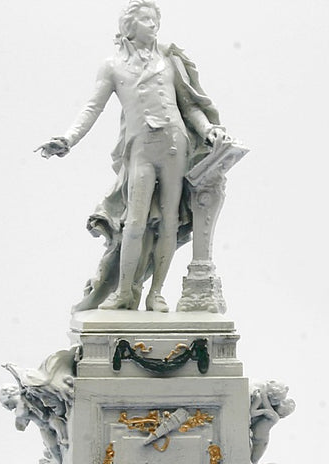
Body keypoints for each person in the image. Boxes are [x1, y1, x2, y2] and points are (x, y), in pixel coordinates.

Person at [39, 0, 226, 312]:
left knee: (169, 221)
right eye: (146, 20)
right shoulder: (113, 66)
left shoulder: (169, 59)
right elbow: (93, 107)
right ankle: (124, 291)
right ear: (129, 25)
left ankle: (156, 293)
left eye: (155, 20)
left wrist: (208, 129)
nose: (153, 25)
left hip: (174, 145)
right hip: (141, 149)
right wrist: (68, 139)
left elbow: (189, 105)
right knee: (135, 222)